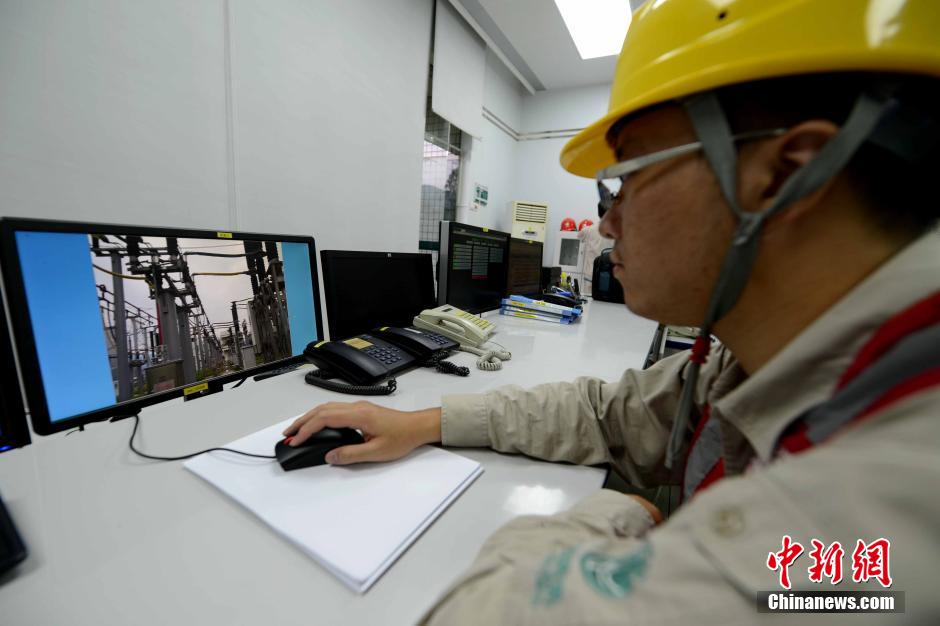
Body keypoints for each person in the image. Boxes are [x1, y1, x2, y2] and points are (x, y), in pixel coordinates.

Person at [285, 0, 940, 622]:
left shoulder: (889, 491)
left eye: (629, 178)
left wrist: (618, 513)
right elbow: (608, 412)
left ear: (786, 176)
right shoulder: (765, 359)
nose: (607, 221)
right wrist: (423, 422)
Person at [577, 203, 614, 297]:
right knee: (604, 302)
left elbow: (579, 236)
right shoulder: (616, 232)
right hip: (607, 276)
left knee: (588, 302)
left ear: (598, 213)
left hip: (590, 276)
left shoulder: (588, 230)